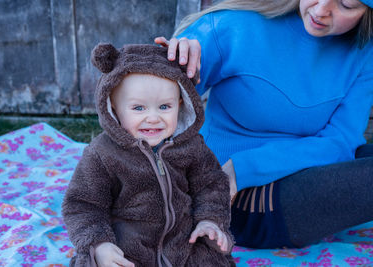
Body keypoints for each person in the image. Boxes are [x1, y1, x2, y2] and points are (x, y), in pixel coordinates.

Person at [155, 0, 373, 249]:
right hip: (227, 193)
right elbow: (148, 103)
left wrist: (243, 169)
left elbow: (342, 141)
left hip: (292, 170)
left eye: (346, 4)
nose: (322, 9)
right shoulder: (233, 25)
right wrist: (172, 73)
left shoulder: (364, 52)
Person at [62, 43, 235, 267]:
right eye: (139, 108)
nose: (153, 118)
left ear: (180, 104)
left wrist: (209, 220)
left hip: (183, 243)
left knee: (212, 257)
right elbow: (83, 204)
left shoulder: (191, 147)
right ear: (114, 108)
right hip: (127, 249)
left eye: (164, 107)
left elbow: (211, 184)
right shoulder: (102, 154)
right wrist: (99, 245)